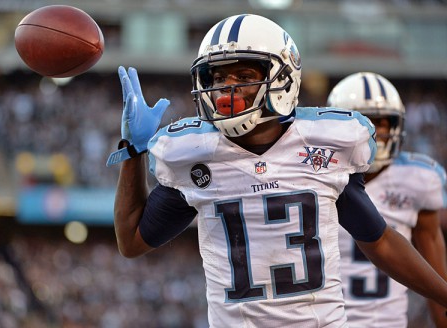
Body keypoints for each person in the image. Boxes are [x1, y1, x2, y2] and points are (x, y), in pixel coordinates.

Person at [107, 14, 447, 327]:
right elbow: (131, 242)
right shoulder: (191, 154)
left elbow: (381, 242)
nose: (227, 89)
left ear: (282, 79)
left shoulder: (322, 146)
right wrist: (133, 151)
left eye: (243, 76)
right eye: (218, 76)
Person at [327, 72, 447, 328]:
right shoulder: (312, 175)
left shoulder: (418, 179)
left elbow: (436, 275)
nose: (375, 131)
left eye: (383, 122)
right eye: (365, 122)